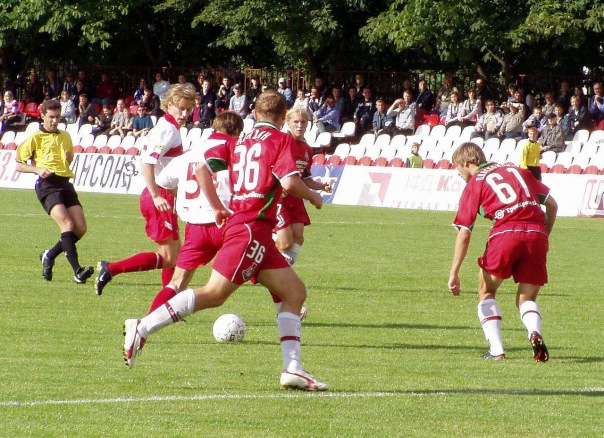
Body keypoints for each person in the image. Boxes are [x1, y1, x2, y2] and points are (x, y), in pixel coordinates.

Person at [122, 90, 328, 392]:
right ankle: (142, 326)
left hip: (253, 230)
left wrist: (217, 206)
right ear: (284, 117)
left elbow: (201, 167)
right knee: (214, 294)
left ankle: (293, 368)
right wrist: (313, 196)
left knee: (294, 291)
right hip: (251, 228)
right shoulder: (280, 141)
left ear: (254, 114)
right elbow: (288, 181)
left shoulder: (240, 141)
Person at [448, 142, 557, 362]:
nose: (458, 172)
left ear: (466, 162)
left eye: (457, 166)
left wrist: (454, 273)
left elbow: (465, 232)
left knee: (486, 290)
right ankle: (534, 331)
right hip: (536, 233)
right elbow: (552, 205)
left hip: (505, 233)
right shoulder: (517, 171)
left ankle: (496, 350)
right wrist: (544, 234)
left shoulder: (475, 183)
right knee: (526, 298)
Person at [132, 112, 244, 313]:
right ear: (236, 131)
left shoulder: (191, 153)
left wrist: (182, 198)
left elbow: (164, 182)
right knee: (264, 265)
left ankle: (144, 323)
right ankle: (289, 306)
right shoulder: (236, 150)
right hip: (227, 223)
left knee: (177, 282)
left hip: (195, 228)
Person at [95, 84, 196, 295]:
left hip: (165, 194)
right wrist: (156, 195)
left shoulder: (168, 126)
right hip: (159, 195)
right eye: (181, 108)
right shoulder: (168, 130)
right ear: (169, 105)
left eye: (189, 109)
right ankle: (111, 269)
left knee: (174, 255)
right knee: (169, 257)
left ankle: (168, 299)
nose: (185, 114)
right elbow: (147, 163)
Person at [15, 99, 94, 283]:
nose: (55, 120)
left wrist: (69, 158)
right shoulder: (35, 137)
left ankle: (49, 255)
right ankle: (78, 271)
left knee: (80, 228)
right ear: (43, 116)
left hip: (65, 183)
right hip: (47, 185)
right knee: (67, 224)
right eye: (51, 117)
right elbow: (18, 164)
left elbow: (68, 160)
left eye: (58, 117)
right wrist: (37, 169)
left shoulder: (65, 136)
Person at [268, 107, 331, 318]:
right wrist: (278, 185)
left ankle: (278, 273)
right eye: (296, 122)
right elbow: (272, 168)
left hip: (295, 199)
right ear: (287, 123)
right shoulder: (282, 142)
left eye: (303, 122)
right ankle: (270, 264)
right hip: (280, 199)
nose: (300, 125)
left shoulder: (306, 149)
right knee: (285, 243)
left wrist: (320, 186)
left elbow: (303, 178)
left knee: (298, 239)